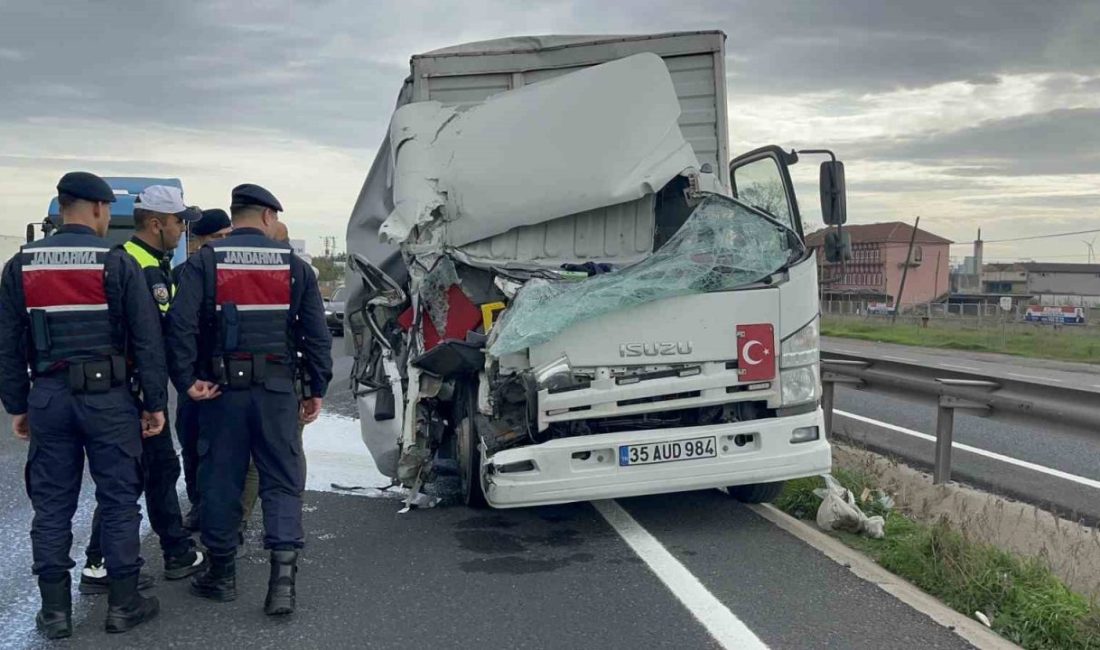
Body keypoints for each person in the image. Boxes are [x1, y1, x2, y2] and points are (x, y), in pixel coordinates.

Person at [0, 172, 165, 637]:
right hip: (108, 399)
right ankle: (124, 604)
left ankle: (54, 614)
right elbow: (146, 339)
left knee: (52, 505)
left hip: (50, 396)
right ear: (97, 208)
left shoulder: (21, 265)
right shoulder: (116, 262)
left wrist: (18, 404)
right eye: (108, 210)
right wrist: (154, 402)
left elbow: (8, 344)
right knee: (118, 499)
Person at [167, 184, 332, 616]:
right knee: (282, 481)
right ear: (267, 216)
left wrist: (187, 381)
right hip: (277, 392)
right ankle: (282, 585)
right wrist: (315, 389)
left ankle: (221, 576)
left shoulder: (205, 261)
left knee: (221, 480)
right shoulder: (295, 267)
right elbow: (316, 335)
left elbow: (180, 327)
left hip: (221, 393)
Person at [79, 187, 206, 596]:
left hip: (131, 385)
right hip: (133, 389)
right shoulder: (141, 266)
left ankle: (173, 550)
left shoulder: (149, 261)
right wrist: (167, 391)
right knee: (134, 475)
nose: (183, 230)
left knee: (155, 469)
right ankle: (101, 561)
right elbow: (157, 336)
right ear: (156, 223)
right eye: (179, 222)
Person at [176, 207, 233, 530]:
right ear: (198, 240)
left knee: (224, 451)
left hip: (226, 376)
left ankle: (222, 515)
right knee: (191, 446)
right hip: (194, 376)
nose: (223, 242)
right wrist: (185, 377)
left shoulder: (235, 273)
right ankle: (198, 505)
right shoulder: (182, 273)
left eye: (227, 235)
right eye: (216, 237)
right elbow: (176, 328)